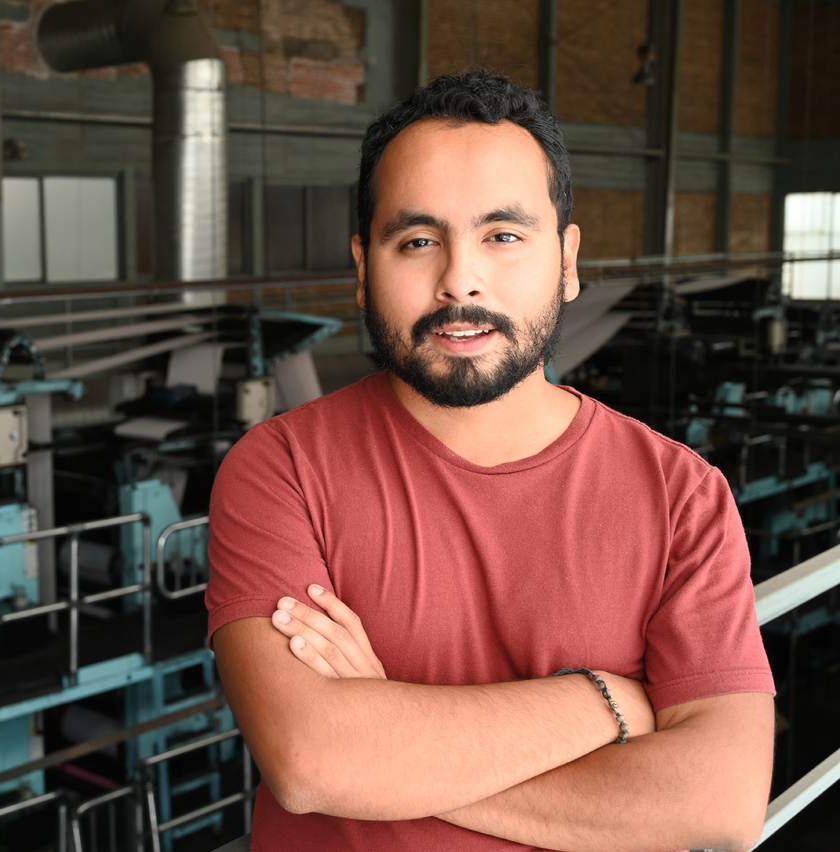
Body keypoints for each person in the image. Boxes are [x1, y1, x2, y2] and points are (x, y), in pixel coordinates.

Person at [205, 69, 776, 852]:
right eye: (418, 241)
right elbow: (313, 760)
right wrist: (607, 703)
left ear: (567, 261)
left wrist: (390, 749)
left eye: (503, 236)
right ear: (364, 268)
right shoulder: (280, 470)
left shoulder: (681, 495)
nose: (460, 281)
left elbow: (721, 800)